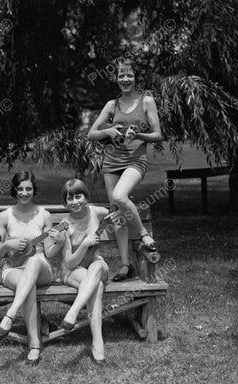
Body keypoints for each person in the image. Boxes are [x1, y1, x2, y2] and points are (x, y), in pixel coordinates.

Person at [87, 59, 163, 281]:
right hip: (112, 162)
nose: (125, 79)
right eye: (121, 76)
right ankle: (125, 265)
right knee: (118, 214)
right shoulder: (112, 105)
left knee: (120, 196)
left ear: (135, 77)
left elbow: (158, 134)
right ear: (116, 79)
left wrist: (137, 135)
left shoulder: (146, 101)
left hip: (135, 160)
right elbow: (91, 133)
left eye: (129, 75)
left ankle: (143, 234)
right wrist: (109, 131)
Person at [0, 171, 61, 366]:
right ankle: (35, 345)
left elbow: (48, 252)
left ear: (34, 190)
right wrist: (8, 245)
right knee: (26, 284)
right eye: (20, 188)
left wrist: (60, 241)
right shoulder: (4, 216)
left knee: (33, 262)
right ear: (14, 190)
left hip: (41, 268)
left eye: (28, 188)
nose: (24, 192)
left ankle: (10, 314)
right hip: (13, 268)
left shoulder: (44, 215)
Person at [51, 179, 110, 365]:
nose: (75, 201)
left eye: (79, 196)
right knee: (97, 286)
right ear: (65, 202)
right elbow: (69, 261)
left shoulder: (97, 212)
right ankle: (98, 342)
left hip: (96, 266)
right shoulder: (64, 225)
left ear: (86, 197)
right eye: (70, 198)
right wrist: (85, 244)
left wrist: (118, 218)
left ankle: (73, 312)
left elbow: (119, 215)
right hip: (73, 271)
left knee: (98, 266)